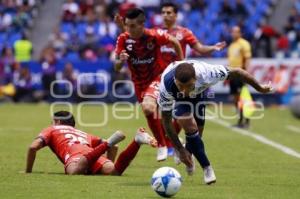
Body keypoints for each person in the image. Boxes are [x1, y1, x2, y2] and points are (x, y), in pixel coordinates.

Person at [114, 3, 226, 158]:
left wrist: (212, 48)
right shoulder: (155, 32)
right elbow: (133, 39)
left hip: (177, 78)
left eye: (168, 12)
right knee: (159, 114)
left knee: (178, 114)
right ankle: (172, 144)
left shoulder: (183, 33)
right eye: (163, 12)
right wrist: (123, 30)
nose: (165, 15)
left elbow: (199, 48)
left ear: (175, 15)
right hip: (156, 78)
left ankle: (175, 145)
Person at [158, 60, 273, 184]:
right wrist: (180, 149)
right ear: (175, 80)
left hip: (198, 95)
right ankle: (207, 168)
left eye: (189, 86)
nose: (184, 91)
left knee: (197, 135)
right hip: (178, 100)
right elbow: (166, 120)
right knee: (190, 127)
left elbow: (238, 72)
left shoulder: (208, 73)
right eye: (181, 86)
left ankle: (188, 151)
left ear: (196, 78)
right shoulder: (166, 85)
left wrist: (259, 88)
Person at [114, 8, 184, 161]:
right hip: (139, 83)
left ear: (142, 25)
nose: (128, 29)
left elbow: (175, 42)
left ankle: (161, 145)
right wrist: (121, 60)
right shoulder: (123, 39)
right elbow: (116, 67)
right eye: (127, 25)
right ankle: (171, 144)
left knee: (148, 107)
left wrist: (181, 63)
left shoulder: (154, 35)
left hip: (157, 78)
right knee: (151, 113)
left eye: (132, 26)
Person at [25, 111, 157, 175]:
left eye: (53, 121)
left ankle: (105, 145)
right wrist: (108, 163)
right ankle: (137, 141)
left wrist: (28, 172)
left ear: (58, 122)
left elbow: (32, 147)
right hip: (94, 154)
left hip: (77, 156)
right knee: (115, 172)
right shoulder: (83, 133)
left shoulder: (52, 129)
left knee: (75, 172)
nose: (52, 124)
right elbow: (115, 147)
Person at [227, 26, 252, 128]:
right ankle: (240, 120)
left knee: (243, 97)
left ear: (240, 33)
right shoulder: (232, 45)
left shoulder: (244, 44)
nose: (233, 34)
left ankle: (246, 121)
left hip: (240, 74)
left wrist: (245, 74)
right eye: (232, 32)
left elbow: (247, 59)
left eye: (236, 32)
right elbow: (231, 61)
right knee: (235, 98)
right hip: (233, 74)